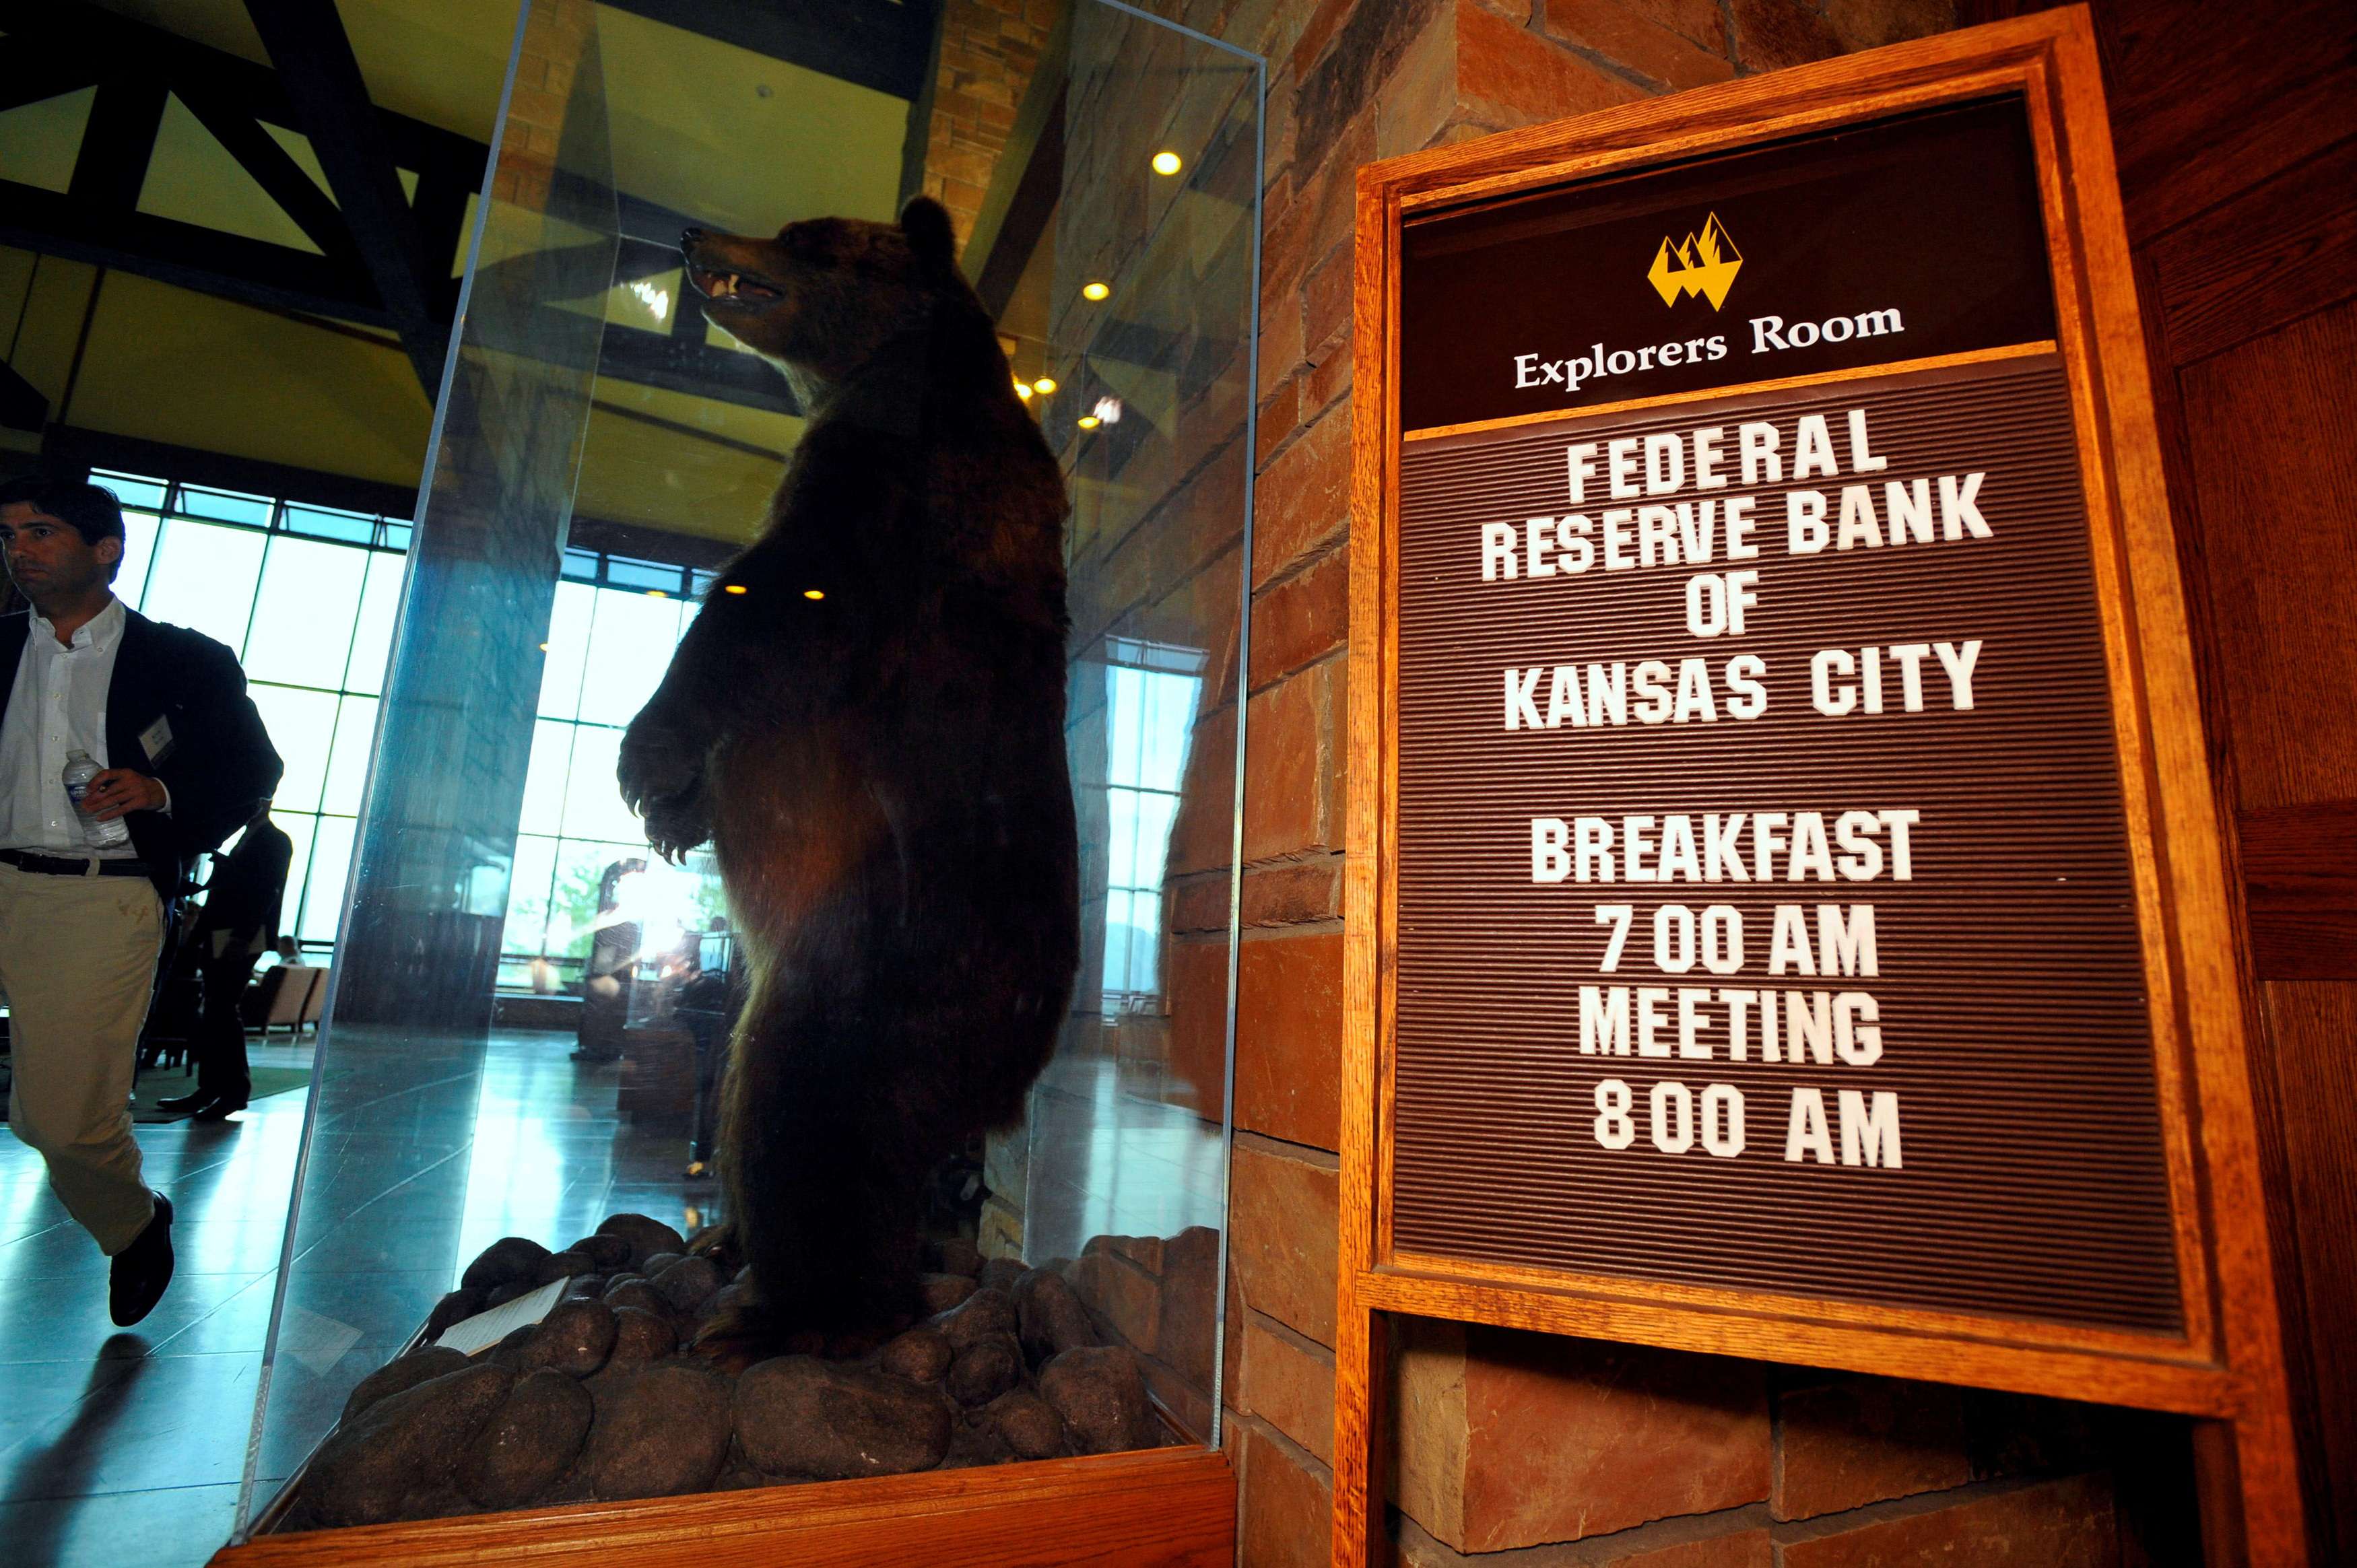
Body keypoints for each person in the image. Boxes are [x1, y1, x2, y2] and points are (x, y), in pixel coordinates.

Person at [0, 473, 283, 1326]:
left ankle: (133, 1223)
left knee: (60, 1122)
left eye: (41, 532)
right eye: (9, 535)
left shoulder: (184, 662)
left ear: (106, 549)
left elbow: (251, 772)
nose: (21, 551)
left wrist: (160, 793)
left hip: (99, 899)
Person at [158, 802, 292, 1121]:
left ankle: (231, 1091)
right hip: (226, 933)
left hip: (239, 936)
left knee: (222, 1010)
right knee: (216, 1012)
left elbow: (265, 893)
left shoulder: (273, 840)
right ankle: (212, 1089)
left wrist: (241, 938)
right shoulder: (250, 838)